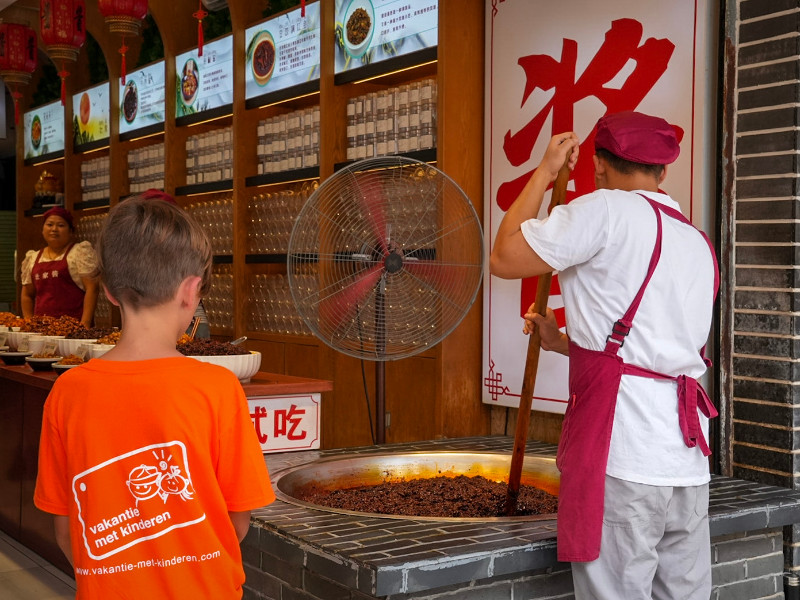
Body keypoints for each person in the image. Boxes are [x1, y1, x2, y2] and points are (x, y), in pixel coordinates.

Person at [490, 111, 718, 600]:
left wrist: (547, 171)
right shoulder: (697, 242)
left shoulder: (604, 211)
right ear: (663, 172)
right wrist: (561, 342)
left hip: (626, 456)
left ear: (598, 167)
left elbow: (504, 256)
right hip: (687, 463)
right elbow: (657, 349)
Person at [34, 196, 274, 599]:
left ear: (108, 291)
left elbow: (66, 531)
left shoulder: (67, 391)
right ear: (191, 290)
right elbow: (237, 520)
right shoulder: (216, 388)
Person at [20, 206, 99, 327]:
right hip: (41, 329)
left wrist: (85, 324)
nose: (54, 229)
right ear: (42, 230)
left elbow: (92, 288)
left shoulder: (79, 252)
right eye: (49, 224)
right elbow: (27, 294)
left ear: (71, 231)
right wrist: (28, 322)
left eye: (61, 225)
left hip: (73, 330)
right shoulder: (33, 257)